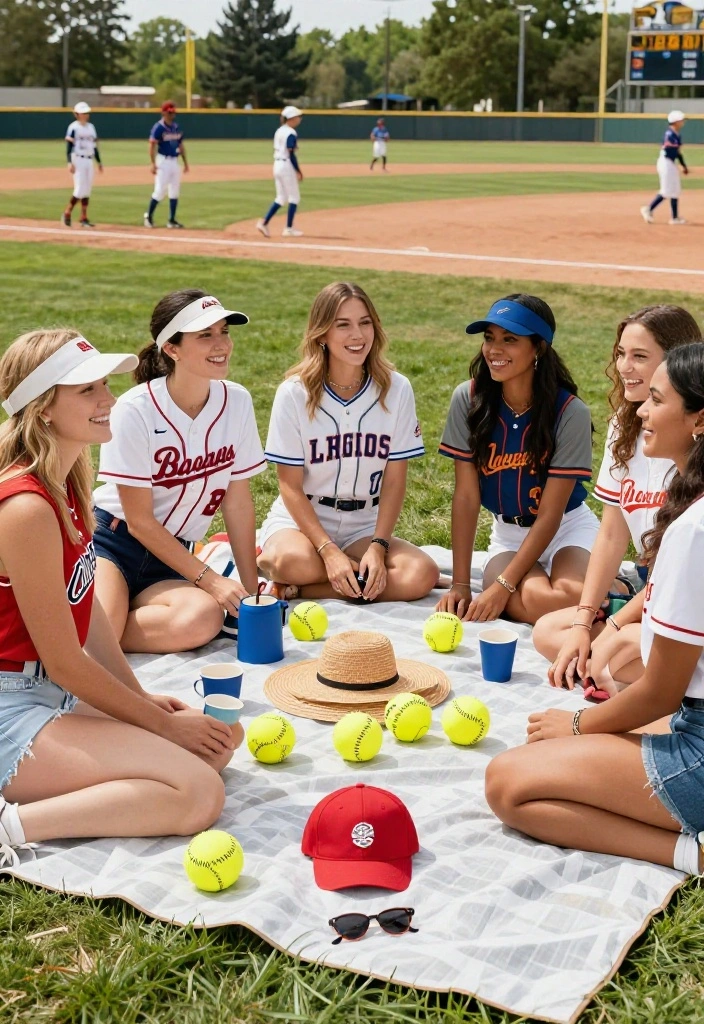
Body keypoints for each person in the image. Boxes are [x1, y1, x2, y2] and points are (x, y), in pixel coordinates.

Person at [0, 329, 241, 866]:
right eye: (87, 390)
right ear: (42, 410)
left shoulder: (68, 483)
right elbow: (63, 660)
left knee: (217, 746)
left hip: (41, 691)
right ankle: (9, 830)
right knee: (199, 793)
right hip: (12, 705)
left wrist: (140, 701)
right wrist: (154, 723)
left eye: (104, 385)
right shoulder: (26, 507)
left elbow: (87, 618)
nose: (109, 400)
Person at [486, 342, 704, 879]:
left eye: (656, 399)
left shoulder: (693, 530)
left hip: (698, 752)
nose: (641, 410)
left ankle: (691, 855)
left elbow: (660, 691)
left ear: (699, 420)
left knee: (507, 781)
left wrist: (579, 725)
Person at [534, 305, 702, 699]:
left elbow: (679, 575)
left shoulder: (687, 444)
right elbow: (611, 535)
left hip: (683, 599)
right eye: (621, 353)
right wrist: (583, 621)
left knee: (622, 648)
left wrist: (612, 630)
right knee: (550, 632)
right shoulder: (624, 429)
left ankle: (642, 676)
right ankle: (624, 665)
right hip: (650, 590)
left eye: (640, 356)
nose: (625, 367)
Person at [93, 289, 266, 654]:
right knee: (102, 638)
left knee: (203, 618)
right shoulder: (134, 409)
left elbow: (237, 504)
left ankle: (87, 628)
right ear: (171, 348)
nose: (221, 344)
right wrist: (211, 580)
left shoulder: (237, 401)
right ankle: (89, 630)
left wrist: (251, 595)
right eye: (205, 335)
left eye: (224, 332)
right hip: (114, 545)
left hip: (174, 558)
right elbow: (138, 521)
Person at [257, 281, 439, 603]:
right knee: (290, 561)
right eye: (343, 325)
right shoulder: (294, 393)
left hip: (364, 524)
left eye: (365, 322)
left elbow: (395, 480)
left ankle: (302, 589)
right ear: (322, 334)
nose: (357, 335)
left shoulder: (396, 389)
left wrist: (379, 547)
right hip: (305, 520)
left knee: (422, 573)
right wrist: (328, 552)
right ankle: (340, 576)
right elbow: (289, 487)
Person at [436, 294, 598, 625]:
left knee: (564, 596)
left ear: (538, 348)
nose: (495, 350)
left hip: (567, 528)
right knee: (543, 601)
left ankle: (605, 587)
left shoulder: (569, 412)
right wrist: (461, 584)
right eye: (489, 338)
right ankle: (598, 597)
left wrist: (502, 586)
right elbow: (466, 498)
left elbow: (551, 514)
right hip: (508, 534)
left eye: (510, 340)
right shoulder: (468, 399)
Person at [257, 106, 304, 239]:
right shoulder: (291, 132)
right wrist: (298, 170)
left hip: (277, 164)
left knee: (281, 198)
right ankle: (288, 229)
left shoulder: (279, 131)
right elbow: (291, 153)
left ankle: (264, 223)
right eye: (298, 117)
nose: (300, 119)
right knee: (294, 198)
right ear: (292, 118)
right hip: (286, 165)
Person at [144, 101, 189, 229]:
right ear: (163, 113)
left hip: (175, 161)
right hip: (163, 161)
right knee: (159, 191)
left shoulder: (176, 127)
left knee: (174, 191)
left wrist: (185, 163)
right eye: (170, 112)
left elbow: (180, 145)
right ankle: (149, 216)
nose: (172, 115)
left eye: (173, 112)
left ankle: (171, 220)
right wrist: (152, 163)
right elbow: (152, 145)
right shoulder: (158, 127)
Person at [640, 110, 688, 226]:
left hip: (670, 163)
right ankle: (648, 209)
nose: (683, 122)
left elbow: (678, 153)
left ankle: (675, 218)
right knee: (666, 190)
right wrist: (682, 165)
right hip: (665, 163)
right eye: (681, 120)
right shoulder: (670, 135)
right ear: (675, 122)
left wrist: (683, 166)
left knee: (675, 190)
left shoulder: (677, 135)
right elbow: (673, 151)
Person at [62, 101, 103, 229]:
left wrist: (99, 162)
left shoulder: (91, 127)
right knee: (79, 189)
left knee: (87, 189)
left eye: (86, 113)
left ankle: (83, 218)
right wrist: (69, 162)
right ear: (77, 114)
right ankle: (67, 212)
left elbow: (94, 146)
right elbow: (69, 146)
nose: (85, 115)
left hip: (89, 159)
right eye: (82, 113)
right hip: (78, 159)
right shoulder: (73, 127)